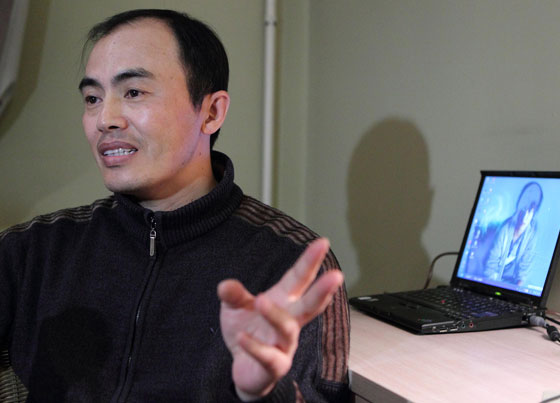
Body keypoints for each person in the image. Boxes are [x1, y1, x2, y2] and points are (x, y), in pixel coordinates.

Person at [0, 9, 350, 402]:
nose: (104, 119)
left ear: (211, 112)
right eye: (93, 98)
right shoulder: (31, 252)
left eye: (133, 92)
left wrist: (266, 390)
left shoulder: (289, 264)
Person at [484, 182, 543, 286]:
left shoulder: (532, 233)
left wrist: (517, 290)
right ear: (519, 203)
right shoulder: (504, 228)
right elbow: (490, 266)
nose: (525, 215)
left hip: (513, 286)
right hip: (493, 281)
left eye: (531, 209)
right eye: (524, 207)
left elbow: (524, 271)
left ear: (535, 212)